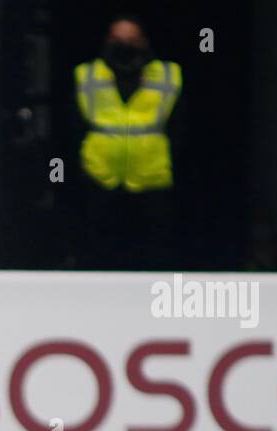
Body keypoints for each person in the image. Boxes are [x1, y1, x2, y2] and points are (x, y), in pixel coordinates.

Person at [73, 15, 182, 269]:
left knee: (154, 254)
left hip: (151, 181)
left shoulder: (167, 76)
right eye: (118, 39)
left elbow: (179, 128)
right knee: (99, 253)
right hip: (99, 178)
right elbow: (73, 128)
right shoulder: (87, 75)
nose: (124, 45)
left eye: (131, 39)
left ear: (143, 42)